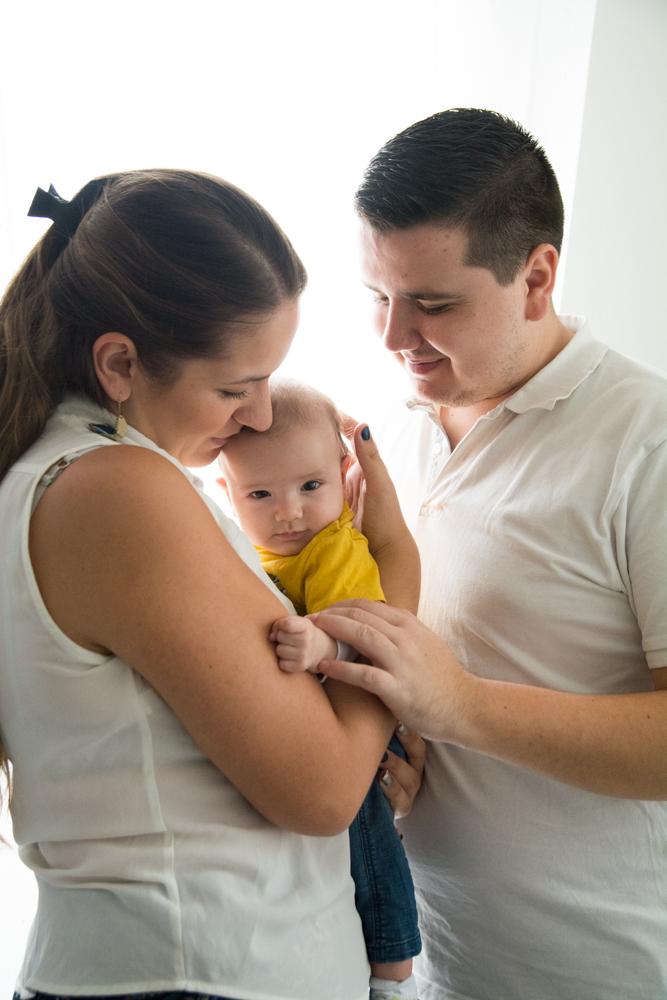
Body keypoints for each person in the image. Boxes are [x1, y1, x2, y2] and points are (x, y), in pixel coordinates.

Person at [0, 170, 419, 1000]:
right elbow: (324, 788)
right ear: (119, 362)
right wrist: (393, 572)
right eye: (235, 387)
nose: (261, 417)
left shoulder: (63, 474)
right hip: (201, 972)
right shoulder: (117, 491)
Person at [310, 109, 667, 1000]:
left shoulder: (646, 443)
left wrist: (461, 706)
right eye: (377, 296)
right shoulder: (390, 429)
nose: (393, 336)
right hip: (419, 965)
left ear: (536, 276)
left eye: (432, 304)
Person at [218, 379, 422, 1000]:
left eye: (311, 486)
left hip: (357, 735)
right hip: (316, 735)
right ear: (227, 494)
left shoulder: (331, 547)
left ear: (343, 473)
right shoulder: (257, 554)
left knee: (369, 839)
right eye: (260, 493)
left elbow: (370, 628)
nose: (290, 512)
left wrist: (323, 645)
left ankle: (395, 971)